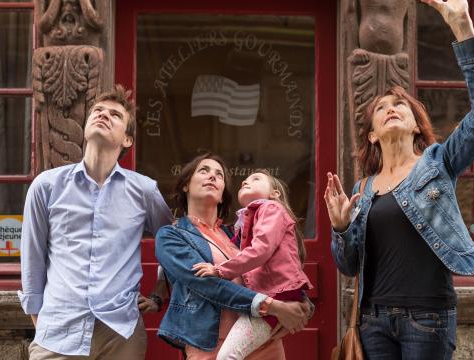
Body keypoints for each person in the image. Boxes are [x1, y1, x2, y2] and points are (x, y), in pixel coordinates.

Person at [324, 0, 474, 359]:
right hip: (373, 321)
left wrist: (462, 28)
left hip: (428, 318)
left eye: (401, 104)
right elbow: (349, 266)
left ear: (416, 125)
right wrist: (342, 227)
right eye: (382, 107)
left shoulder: (438, 163)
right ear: (372, 134)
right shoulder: (363, 188)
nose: (392, 107)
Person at [18, 85, 173, 359]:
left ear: (127, 140)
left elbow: (173, 248)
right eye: (98, 111)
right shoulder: (47, 186)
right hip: (57, 333)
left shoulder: (144, 191)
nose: (103, 115)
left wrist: (159, 293)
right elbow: (32, 258)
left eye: (115, 115)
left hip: (120, 335)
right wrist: (38, 320)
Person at [155, 153, 311, 359]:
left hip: (263, 343)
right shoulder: (171, 236)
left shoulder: (238, 236)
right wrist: (273, 306)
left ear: (222, 195)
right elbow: (207, 284)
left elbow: (278, 268)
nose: (212, 176)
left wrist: (302, 306)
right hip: (211, 347)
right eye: (204, 171)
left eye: (219, 175)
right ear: (186, 185)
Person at [192, 170, 313, 359]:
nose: (245, 182)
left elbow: (260, 250)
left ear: (275, 194)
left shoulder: (271, 208)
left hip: (275, 295)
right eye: (244, 181)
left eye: (256, 179)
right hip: (268, 298)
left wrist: (220, 270)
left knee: (228, 356)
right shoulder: (247, 221)